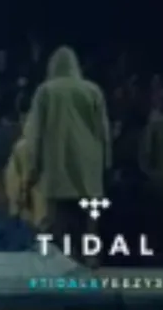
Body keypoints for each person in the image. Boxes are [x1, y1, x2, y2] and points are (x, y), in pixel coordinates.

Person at [21, 45, 111, 268]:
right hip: (90, 158)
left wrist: (33, 166)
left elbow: (36, 132)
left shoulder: (46, 91)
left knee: (56, 212)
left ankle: (61, 259)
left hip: (57, 159)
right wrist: (107, 161)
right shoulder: (93, 90)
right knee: (91, 213)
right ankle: (91, 256)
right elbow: (104, 130)